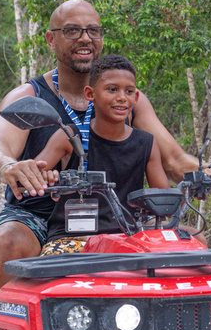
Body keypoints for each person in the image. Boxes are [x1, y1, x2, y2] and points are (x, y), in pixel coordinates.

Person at [0, 0, 211, 330]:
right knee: (8, 242)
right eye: (72, 31)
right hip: (41, 212)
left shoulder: (128, 97)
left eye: (93, 31)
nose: (85, 38)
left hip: (119, 214)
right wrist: (10, 166)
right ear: (51, 40)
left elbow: (174, 159)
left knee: (191, 241)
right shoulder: (30, 95)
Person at [35, 54, 170, 254]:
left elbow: (164, 202)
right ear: (90, 93)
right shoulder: (71, 136)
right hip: (73, 238)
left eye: (129, 91)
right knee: (56, 274)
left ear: (136, 97)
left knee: (192, 241)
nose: (122, 97)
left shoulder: (146, 143)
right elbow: (33, 172)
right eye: (112, 89)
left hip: (127, 237)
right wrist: (45, 177)